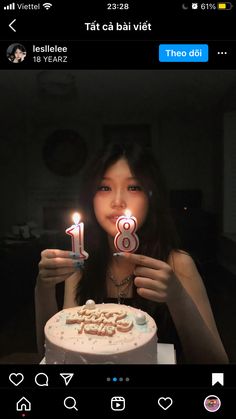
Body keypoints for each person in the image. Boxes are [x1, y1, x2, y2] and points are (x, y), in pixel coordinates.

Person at [35, 141, 229, 363]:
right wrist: (43, 287)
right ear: (91, 197)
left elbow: (216, 364)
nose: (117, 201)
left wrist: (177, 296)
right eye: (104, 187)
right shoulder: (80, 266)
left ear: (151, 197)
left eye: (134, 187)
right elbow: (52, 356)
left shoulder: (177, 264)